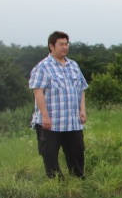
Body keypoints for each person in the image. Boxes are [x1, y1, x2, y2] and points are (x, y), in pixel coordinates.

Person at [29, 31, 88, 179]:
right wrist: (45, 116)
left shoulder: (73, 65)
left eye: (66, 44)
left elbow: (81, 89)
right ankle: (57, 185)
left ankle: (78, 180)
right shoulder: (42, 67)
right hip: (51, 121)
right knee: (50, 155)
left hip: (72, 120)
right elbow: (38, 92)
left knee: (77, 152)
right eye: (61, 44)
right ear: (51, 46)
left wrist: (82, 109)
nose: (65, 47)